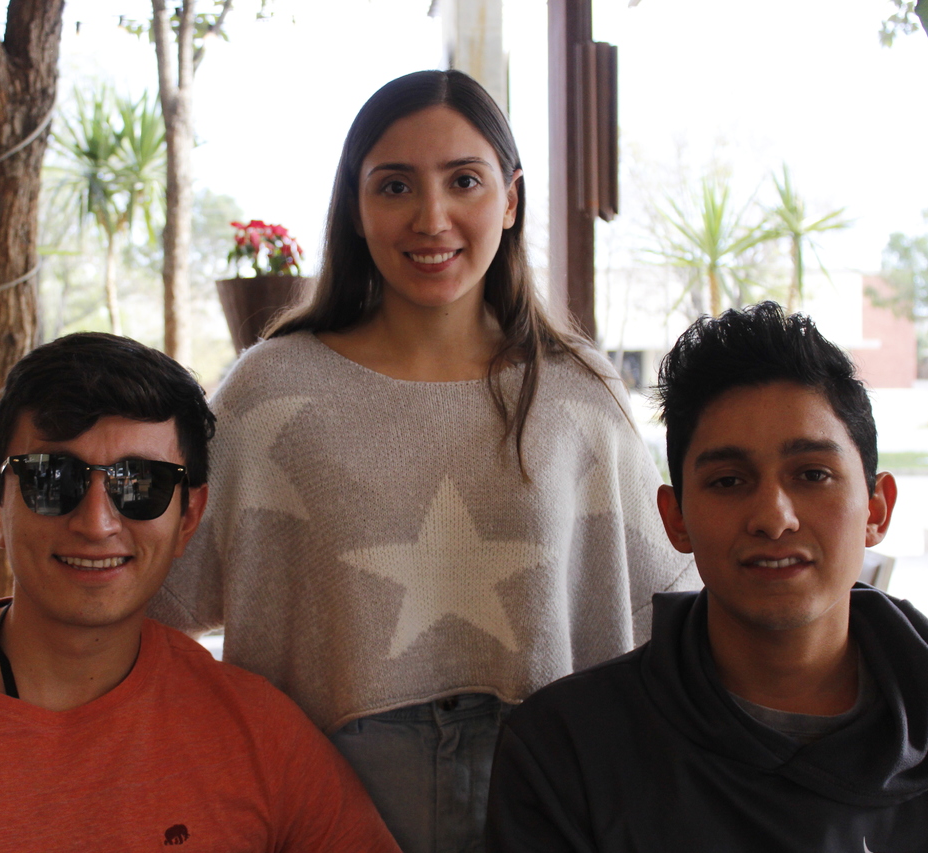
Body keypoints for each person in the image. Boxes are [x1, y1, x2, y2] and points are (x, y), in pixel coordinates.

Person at [149, 70, 695, 852]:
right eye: (395, 185)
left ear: (510, 199)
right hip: (326, 801)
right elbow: (157, 591)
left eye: (463, 180)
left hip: (545, 793)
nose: (431, 217)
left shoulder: (579, 393)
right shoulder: (269, 393)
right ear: (355, 205)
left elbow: (667, 608)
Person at [0, 332, 400, 853]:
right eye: (52, 478)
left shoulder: (258, 735)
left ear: (188, 517)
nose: (96, 521)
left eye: (139, 484)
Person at [485, 302, 928, 852]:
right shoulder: (567, 752)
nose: (773, 517)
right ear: (675, 519)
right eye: (728, 481)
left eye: (813, 474)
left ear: (877, 509)